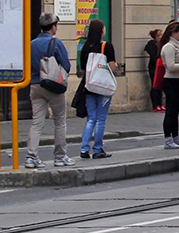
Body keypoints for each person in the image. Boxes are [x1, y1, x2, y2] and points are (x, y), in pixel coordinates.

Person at [27, 12, 73, 168]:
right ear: (53, 27)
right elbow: (66, 65)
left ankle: (31, 156)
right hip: (53, 86)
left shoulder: (31, 44)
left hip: (35, 85)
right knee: (59, 121)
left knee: (37, 122)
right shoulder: (56, 43)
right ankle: (60, 156)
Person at [78, 19, 117, 160]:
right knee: (100, 119)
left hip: (89, 86)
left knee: (91, 119)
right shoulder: (106, 46)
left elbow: (82, 70)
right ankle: (97, 149)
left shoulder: (85, 47)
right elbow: (112, 67)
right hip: (103, 87)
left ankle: (84, 148)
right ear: (101, 31)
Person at [144, 29, 162, 112]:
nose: (161, 37)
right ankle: (155, 105)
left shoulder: (162, 45)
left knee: (160, 86)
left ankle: (160, 104)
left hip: (161, 67)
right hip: (154, 67)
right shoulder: (152, 45)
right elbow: (153, 56)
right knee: (154, 86)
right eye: (159, 35)